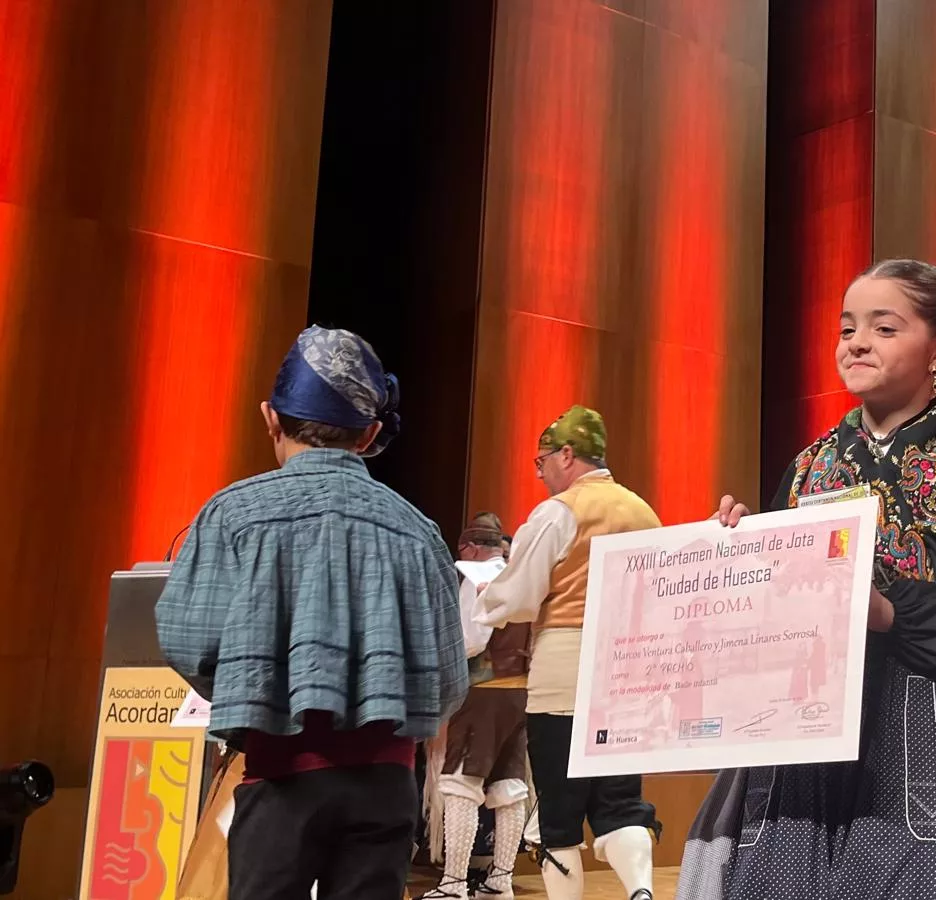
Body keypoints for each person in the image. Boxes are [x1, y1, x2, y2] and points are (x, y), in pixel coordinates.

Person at [677, 259, 936, 900]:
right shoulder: (809, 467)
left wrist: (890, 614)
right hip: (801, 748)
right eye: (847, 328)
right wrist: (737, 556)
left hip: (929, 742)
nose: (857, 342)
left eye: (884, 327)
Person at [156, 325, 468, 900]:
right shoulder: (419, 531)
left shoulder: (234, 514)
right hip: (387, 784)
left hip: (279, 778)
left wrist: (260, 693)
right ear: (370, 432)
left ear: (271, 417)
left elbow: (187, 640)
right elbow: (450, 682)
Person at [477, 406, 662, 900]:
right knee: (620, 798)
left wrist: (480, 608)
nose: (540, 475)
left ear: (566, 454)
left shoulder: (560, 511)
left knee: (559, 809)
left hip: (566, 665)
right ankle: (642, 890)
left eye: (540, 463)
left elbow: (518, 595)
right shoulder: (643, 510)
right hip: (630, 668)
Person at [421, 512, 534, 900]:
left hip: (482, 688)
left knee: (460, 784)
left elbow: (472, 640)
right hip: (521, 691)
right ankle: (500, 880)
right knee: (509, 784)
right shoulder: (522, 574)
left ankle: (453, 883)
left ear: (468, 547)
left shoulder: (474, 577)